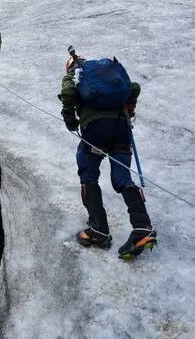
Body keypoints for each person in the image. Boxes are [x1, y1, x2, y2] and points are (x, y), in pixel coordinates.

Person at [59, 51, 157, 259]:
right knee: (123, 178)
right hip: (122, 130)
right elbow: (134, 88)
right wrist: (128, 112)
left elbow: (68, 94)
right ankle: (142, 227)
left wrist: (69, 117)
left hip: (96, 130)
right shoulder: (111, 76)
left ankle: (98, 230)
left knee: (88, 175)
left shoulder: (75, 75)